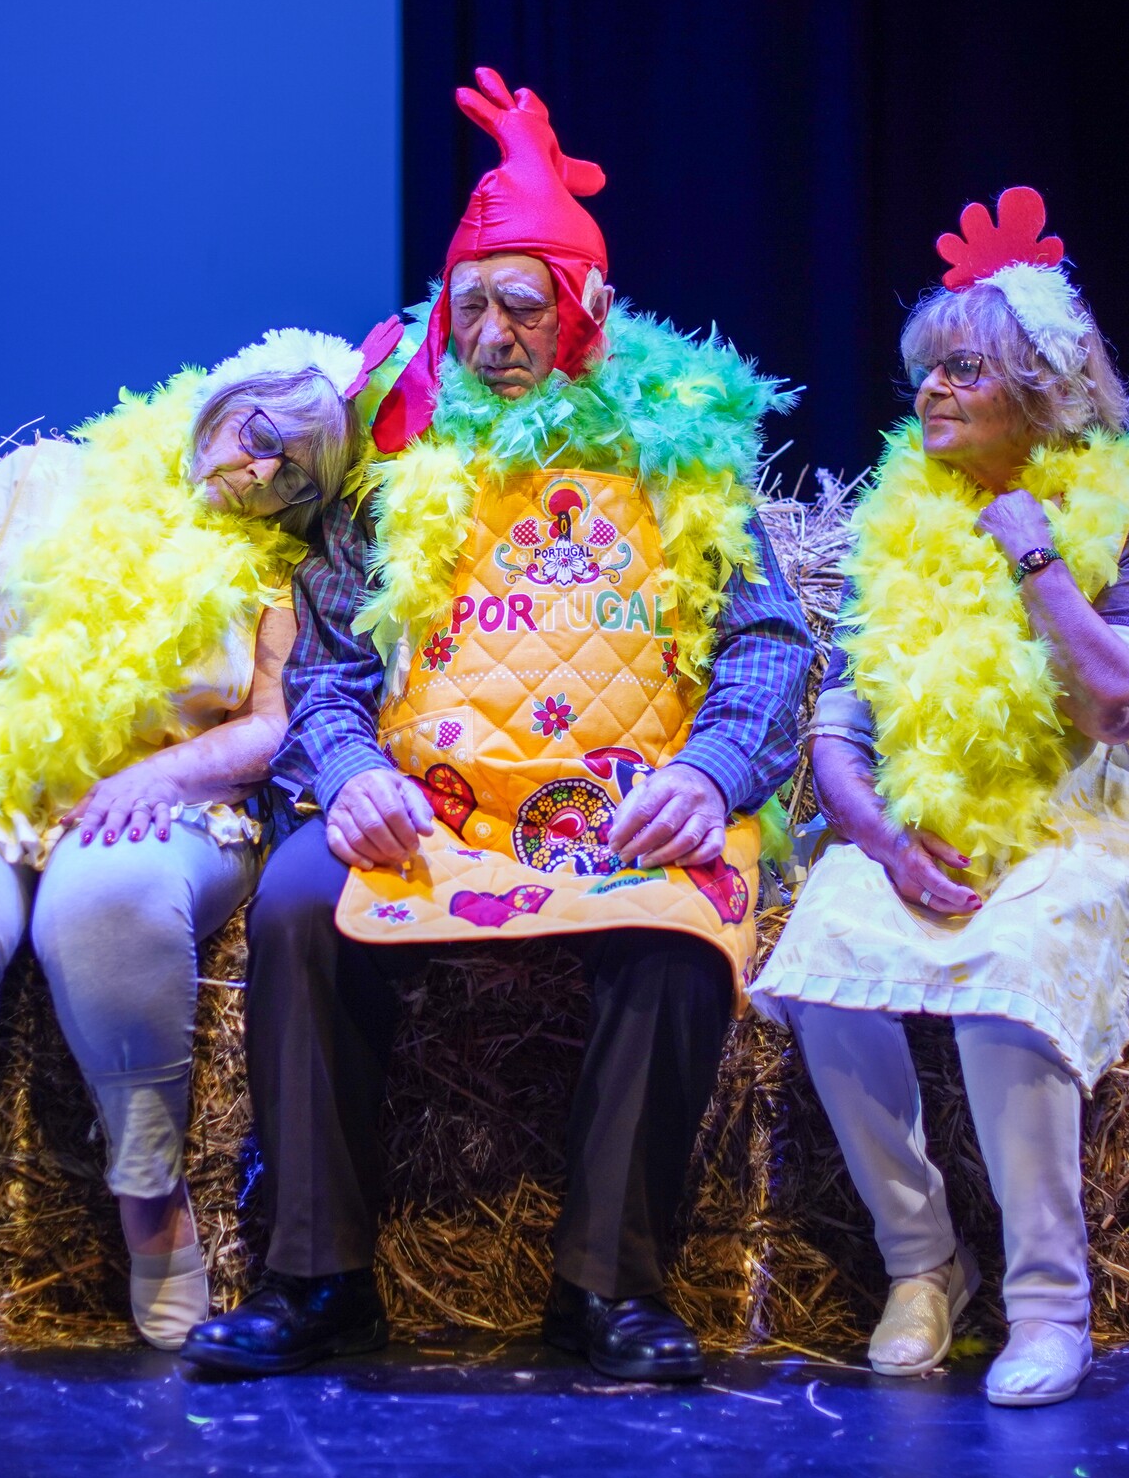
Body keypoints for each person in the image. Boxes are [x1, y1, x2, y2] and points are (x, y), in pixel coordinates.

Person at [182, 70, 812, 1383]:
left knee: (683, 928)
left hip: (625, 809)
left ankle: (609, 1287)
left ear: (585, 309)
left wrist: (711, 774)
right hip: (437, 809)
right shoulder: (394, 461)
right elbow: (331, 672)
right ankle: (317, 1278)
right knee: (297, 902)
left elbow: (769, 641)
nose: (490, 336)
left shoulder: (682, 454)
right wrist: (349, 772)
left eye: (521, 304)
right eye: (467, 306)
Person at [748, 189, 1129, 1406]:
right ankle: (923, 1262)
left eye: (963, 369)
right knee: (818, 959)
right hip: (924, 813)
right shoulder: (895, 521)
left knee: (1008, 981)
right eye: (926, 368)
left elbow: (1118, 707)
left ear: (1045, 390)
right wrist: (877, 835)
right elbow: (839, 728)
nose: (931, 388)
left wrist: (1035, 558)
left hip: (1085, 812)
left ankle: (1049, 1304)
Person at [0, 329, 375, 1356]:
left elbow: (275, 721)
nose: (261, 476)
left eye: (295, 477)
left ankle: (152, 1199)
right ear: (221, 400)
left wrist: (160, 775)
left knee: (110, 895)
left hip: (170, 802)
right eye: (259, 436)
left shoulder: (283, 563)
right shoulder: (39, 475)